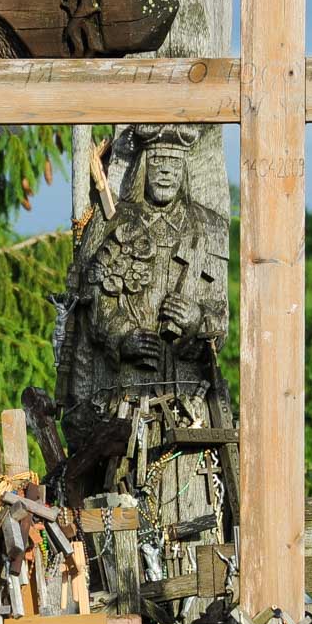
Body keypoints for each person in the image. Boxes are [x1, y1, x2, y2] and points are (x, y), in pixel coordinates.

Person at [59, 124, 228, 451]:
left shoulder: (206, 229)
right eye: (157, 163)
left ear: (185, 171)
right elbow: (92, 298)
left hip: (187, 392)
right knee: (124, 474)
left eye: (174, 164)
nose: (165, 173)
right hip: (128, 389)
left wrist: (196, 320)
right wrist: (123, 335)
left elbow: (221, 312)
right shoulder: (115, 221)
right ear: (142, 168)